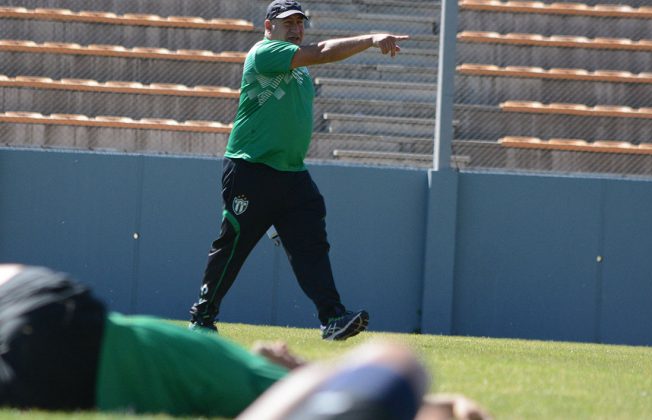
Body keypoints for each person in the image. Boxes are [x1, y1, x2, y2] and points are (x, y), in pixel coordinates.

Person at [0, 264, 492, 419]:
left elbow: (393, 365)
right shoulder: (280, 389)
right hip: (67, 343)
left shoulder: (280, 401)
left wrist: (307, 373)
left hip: (72, 344)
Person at [188, 0, 410, 339]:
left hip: (291, 174)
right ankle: (202, 317)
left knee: (311, 246)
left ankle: (333, 318)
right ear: (268, 27)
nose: (296, 28)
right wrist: (371, 38)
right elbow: (321, 50)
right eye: (287, 22)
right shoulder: (265, 53)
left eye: (300, 23)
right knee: (233, 245)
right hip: (251, 167)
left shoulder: (299, 68)